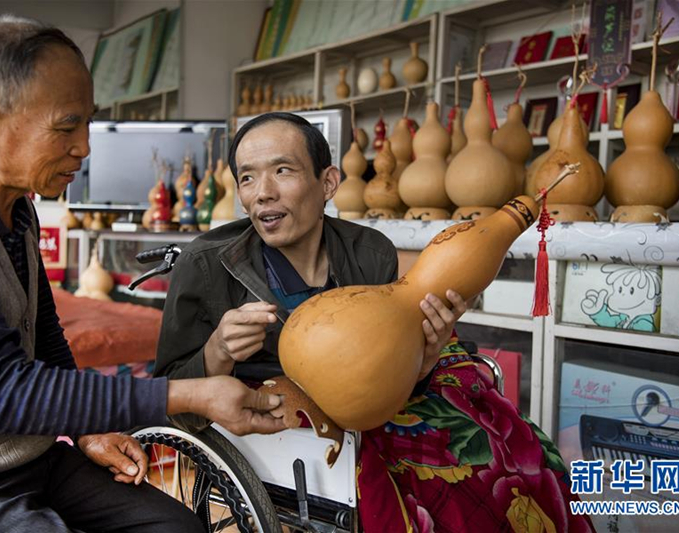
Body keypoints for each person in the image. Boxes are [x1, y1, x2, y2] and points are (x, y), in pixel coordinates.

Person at [0, 16, 283, 532]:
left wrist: (87, 429)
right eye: (66, 127)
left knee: (177, 527)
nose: (84, 147)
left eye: (88, 122)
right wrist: (190, 393)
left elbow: (44, 337)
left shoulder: (17, 205)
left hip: (32, 456)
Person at [157, 112, 595, 532]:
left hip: (377, 411)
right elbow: (167, 393)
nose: (262, 193)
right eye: (247, 178)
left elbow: (391, 373)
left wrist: (422, 359)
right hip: (284, 433)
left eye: (283, 171)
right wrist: (217, 350)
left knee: (513, 459)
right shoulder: (206, 264)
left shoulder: (370, 252)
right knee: (431, 491)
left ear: (327, 182)